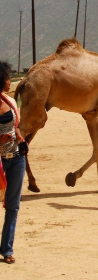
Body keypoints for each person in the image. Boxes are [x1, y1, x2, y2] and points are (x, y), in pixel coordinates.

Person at [0, 61, 26, 264]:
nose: (10, 81)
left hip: (16, 159)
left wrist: (20, 138)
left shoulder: (10, 101)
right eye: (7, 78)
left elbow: (15, 126)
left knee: (13, 206)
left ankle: (7, 249)